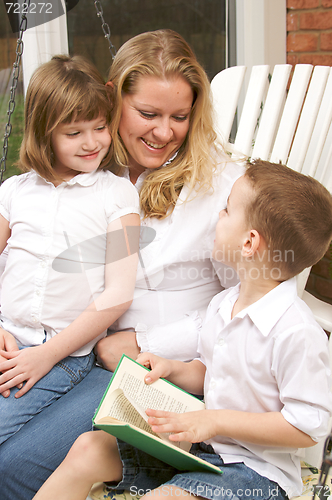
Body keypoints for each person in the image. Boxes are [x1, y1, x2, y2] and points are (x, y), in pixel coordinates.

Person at [0, 30, 243, 499]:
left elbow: (244, 306)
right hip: (70, 351)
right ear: (112, 100)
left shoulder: (223, 187)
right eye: (147, 114)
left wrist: (148, 341)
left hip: (159, 369)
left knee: (16, 465)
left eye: (180, 116)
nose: (164, 131)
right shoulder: (87, 164)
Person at [32, 160, 332, 500]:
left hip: (255, 472)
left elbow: (307, 425)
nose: (218, 216)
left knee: (165, 498)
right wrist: (173, 369)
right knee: (90, 448)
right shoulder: (224, 304)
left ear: (249, 243)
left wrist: (215, 421)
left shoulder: (295, 331)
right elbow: (210, 372)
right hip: (200, 447)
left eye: (226, 210)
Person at [0, 54, 140, 444]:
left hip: (62, 355)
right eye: (74, 132)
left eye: (99, 127)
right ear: (45, 133)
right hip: (8, 340)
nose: (93, 142)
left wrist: (46, 356)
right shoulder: (14, 191)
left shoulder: (118, 194)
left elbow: (119, 293)